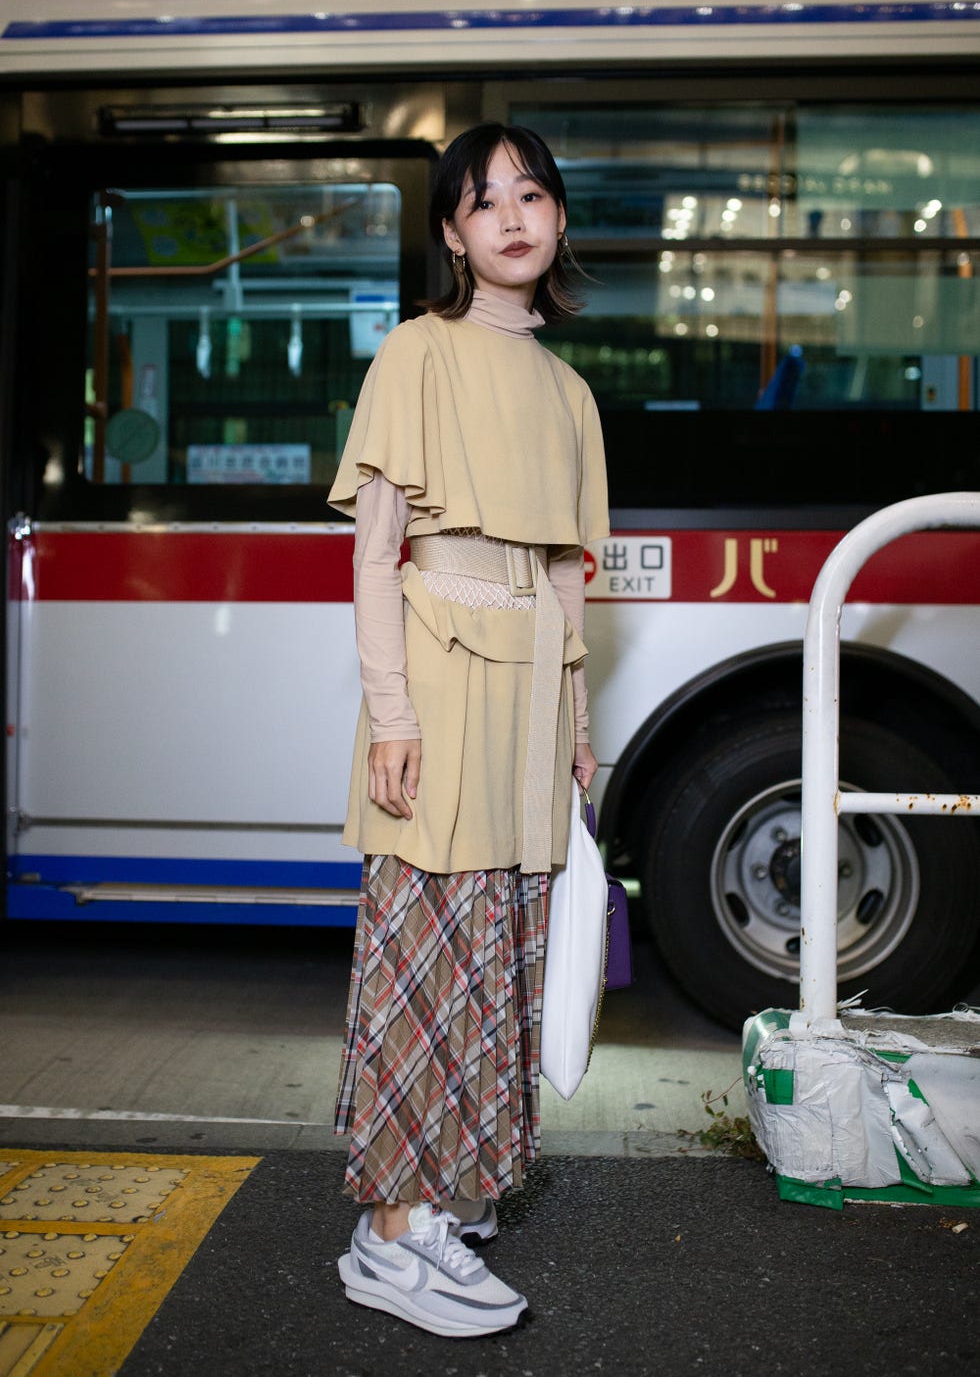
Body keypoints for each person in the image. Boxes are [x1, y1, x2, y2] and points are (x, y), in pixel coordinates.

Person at [328, 122, 609, 1339]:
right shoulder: (416, 352)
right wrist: (389, 715)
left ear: (554, 221)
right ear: (450, 230)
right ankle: (391, 1234)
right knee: (419, 960)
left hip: (527, 695)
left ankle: (455, 1189)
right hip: (439, 685)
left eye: (530, 194)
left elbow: (563, 580)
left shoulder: (568, 389)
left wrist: (577, 727)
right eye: (481, 199)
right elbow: (375, 553)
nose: (509, 216)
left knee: (496, 957)